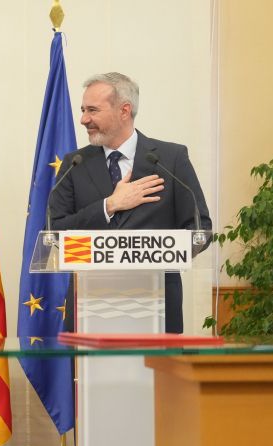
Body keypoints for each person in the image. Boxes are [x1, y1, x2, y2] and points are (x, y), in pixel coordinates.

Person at [48, 72, 212, 334]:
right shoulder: (75, 164)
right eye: (83, 110)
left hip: (157, 306)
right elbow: (55, 232)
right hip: (90, 308)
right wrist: (109, 205)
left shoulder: (171, 159)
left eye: (92, 110)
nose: (84, 119)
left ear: (124, 111)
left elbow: (200, 228)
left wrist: (155, 253)